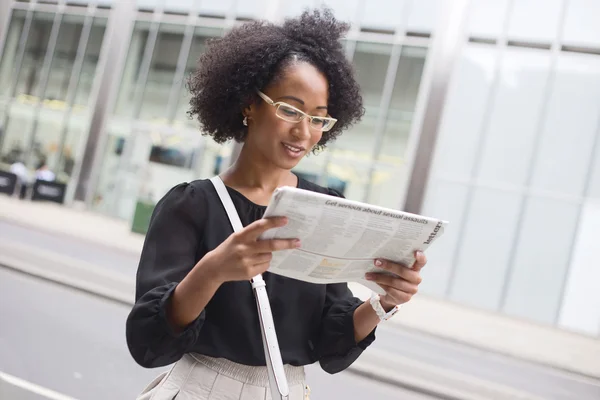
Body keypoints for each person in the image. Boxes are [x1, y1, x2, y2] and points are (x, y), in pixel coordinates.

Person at [126, 9, 427, 400]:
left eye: (319, 119)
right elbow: (149, 343)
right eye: (289, 110)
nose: (304, 132)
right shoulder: (192, 205)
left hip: (287, 389)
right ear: (248, 104)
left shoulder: (325, 208)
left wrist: (384, 302)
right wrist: (213, 271)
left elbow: (331, 347)